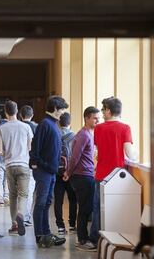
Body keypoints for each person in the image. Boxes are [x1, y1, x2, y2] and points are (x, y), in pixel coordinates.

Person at [89, 97, 138, 245]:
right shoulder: (125, 128)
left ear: (109, 111)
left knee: (97, 207)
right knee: (114, 208)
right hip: (117, 176)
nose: (102, 113)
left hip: (101, 174)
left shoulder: (98, 129)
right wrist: (137, 155)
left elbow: (96, 152)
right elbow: (129, 153)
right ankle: (112, 239)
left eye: (103, 110)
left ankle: (96, 240)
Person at [29, 96, 68, 248]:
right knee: (41, 203)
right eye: (62, 109)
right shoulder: (45, 123)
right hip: (44, 171)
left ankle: (46, 234)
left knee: (46, 203)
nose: (64, 112)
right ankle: (40, 236)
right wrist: (37, 164)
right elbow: (36, 147)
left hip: (51, 171)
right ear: (56, 109)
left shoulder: (54, 124)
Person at [63, 107, 100, 251]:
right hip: (82, 176)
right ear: (87, 118)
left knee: (86, 207)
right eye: (95, 118)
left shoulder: (90, 134)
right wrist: (68, 172)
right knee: (85, 208)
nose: (98, 120)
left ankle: (82, 238)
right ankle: (83, 239)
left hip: (87, 174)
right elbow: (75, 157)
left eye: (98, 118)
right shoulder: (83, 135)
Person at [0, 100, 33, 236]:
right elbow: (30, 148)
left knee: (12, 196)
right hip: (24, 164)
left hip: (9, 165)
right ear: (17, 111)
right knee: (23, 194)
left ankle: (14, 224)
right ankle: (21, 215)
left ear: (5, 112)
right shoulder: (26, 127)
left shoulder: (1, 128)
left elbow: (1, 151)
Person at [53, 112, 77, 235]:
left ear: (58, 123)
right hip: (71, 172)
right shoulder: (75, 136)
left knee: (58, 200)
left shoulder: (54, 135)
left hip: (57, 172)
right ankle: (72, 225)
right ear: (70, 123)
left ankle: (60, 226)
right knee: (73, 199)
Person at [20, 105, 38, 227]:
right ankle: (26, 217)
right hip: (32, 163)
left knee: (19, 191)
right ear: (32, 115)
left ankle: (18, 215)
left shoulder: (18, 127)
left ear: (21, 115)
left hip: (18, 161)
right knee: (29, 191)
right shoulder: (37, 127)